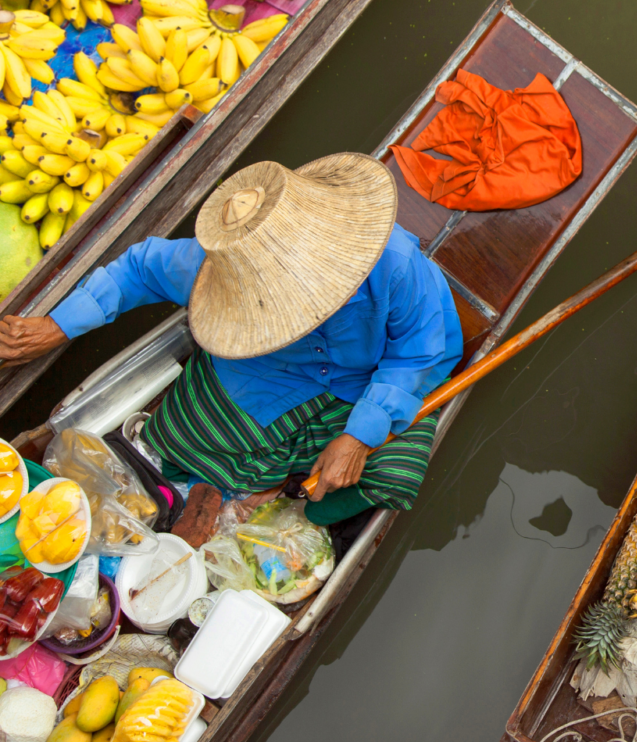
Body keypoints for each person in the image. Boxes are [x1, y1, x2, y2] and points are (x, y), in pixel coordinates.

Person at [0, 154, 461, 527]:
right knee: (183, 436)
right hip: (270, 371)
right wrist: (57, 326)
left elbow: (418, 353)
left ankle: (292, 497)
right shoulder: (217, 267)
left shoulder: (395, 264)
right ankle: (260, 486)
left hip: (373, 379)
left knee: (395, 467)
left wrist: (360, 435)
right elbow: (137, 269)